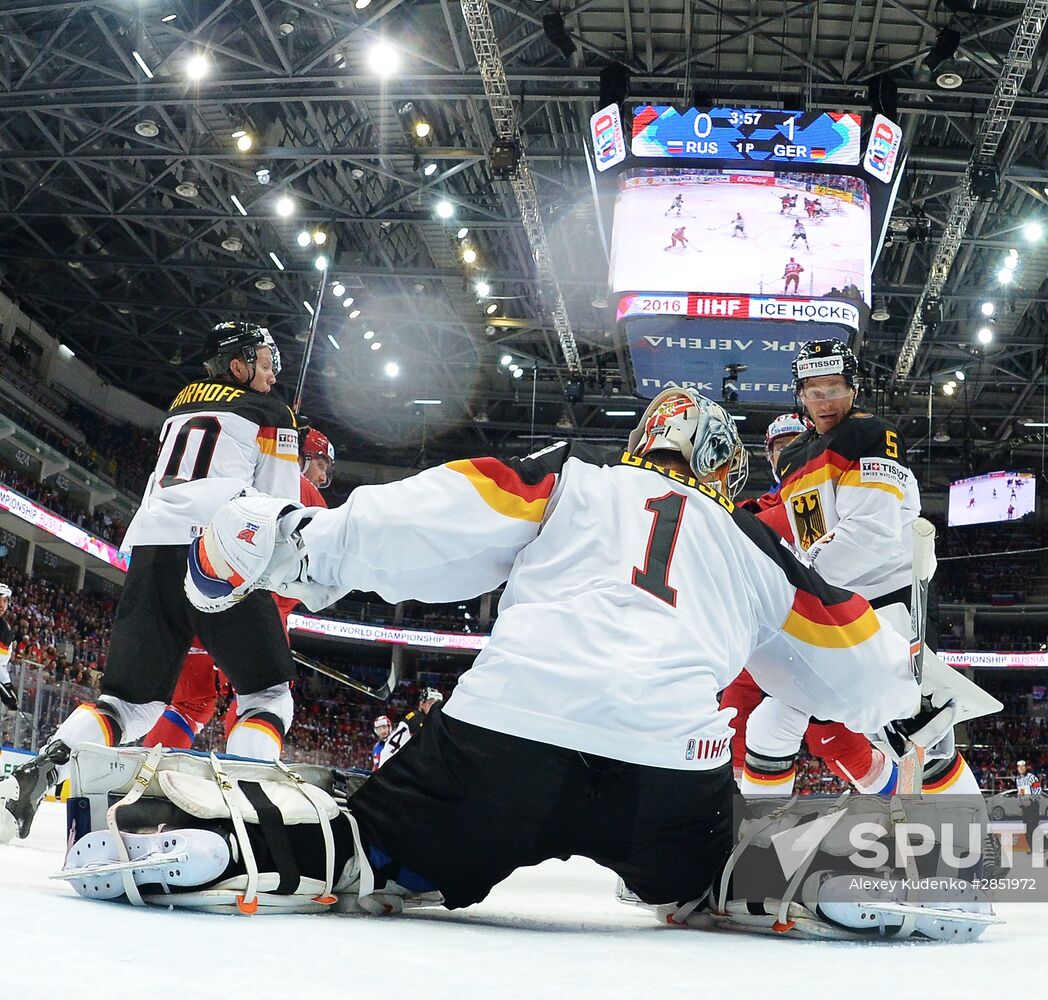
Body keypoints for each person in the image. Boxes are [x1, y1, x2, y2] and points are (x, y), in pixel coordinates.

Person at [78, 386, 948, 933]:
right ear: (723, 464)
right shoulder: (760, 550)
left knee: (368, 847)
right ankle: (821, 869)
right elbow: (857, 673)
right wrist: (899, 677)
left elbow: (436, 516)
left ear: (646, 441)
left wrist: (296, 548)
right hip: (665, 770)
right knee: (712, 870)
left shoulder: (573, 479)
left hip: (503, 741)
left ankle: (218, 837)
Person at [0, 321, 301, 845]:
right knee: (267, 695)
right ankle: (254, 809)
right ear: (239, 365)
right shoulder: (274, 414)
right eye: (265, 361)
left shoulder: (182, 405)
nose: (273, 374)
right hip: (218, 548)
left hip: (151, 546)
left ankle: (36, 774)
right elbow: (278, 508)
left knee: (126, 703)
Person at [726, 341, 982, 800]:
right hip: (832, 608)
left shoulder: (871, 434)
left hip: (886, 605)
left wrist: (796, 577)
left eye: (834, 388)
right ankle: (760, 845)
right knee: (771, 725)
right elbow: (806, 530)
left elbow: (870, 535)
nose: (825, 401)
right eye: (813, 390)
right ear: (799, 393)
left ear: (853, 387)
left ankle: (976, 850)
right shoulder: (797, 457)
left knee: (919, 737)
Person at [141, 429, 334, 751]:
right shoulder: (310, 498)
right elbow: (316, 574)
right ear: (300, 457)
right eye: (321, 464)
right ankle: (244, 782)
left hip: (194, 595)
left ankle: (145, 783)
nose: (322, 474)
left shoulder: (233, 475)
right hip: (255, 613)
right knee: (263, 697)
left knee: (190, 705)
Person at [1015, 758, 1042, 848]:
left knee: (1033, 827)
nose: (1021, 768)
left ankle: (1045, 846)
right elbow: (1019, 793)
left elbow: (1038, 790)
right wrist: (1020, 806)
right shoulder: (1018, 779)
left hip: (1032, 806)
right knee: (1026, 829)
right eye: (1019, 766)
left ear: (1026, 767)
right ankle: (1032, 847)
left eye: (1023, 765)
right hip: (1025, 807)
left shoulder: (1032, 777)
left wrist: (1030, 800)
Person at [0, 582, 16, 710]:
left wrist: (7, 685)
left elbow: (1, 663)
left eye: (5, 601)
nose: (1, 604)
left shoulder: (6, 631)